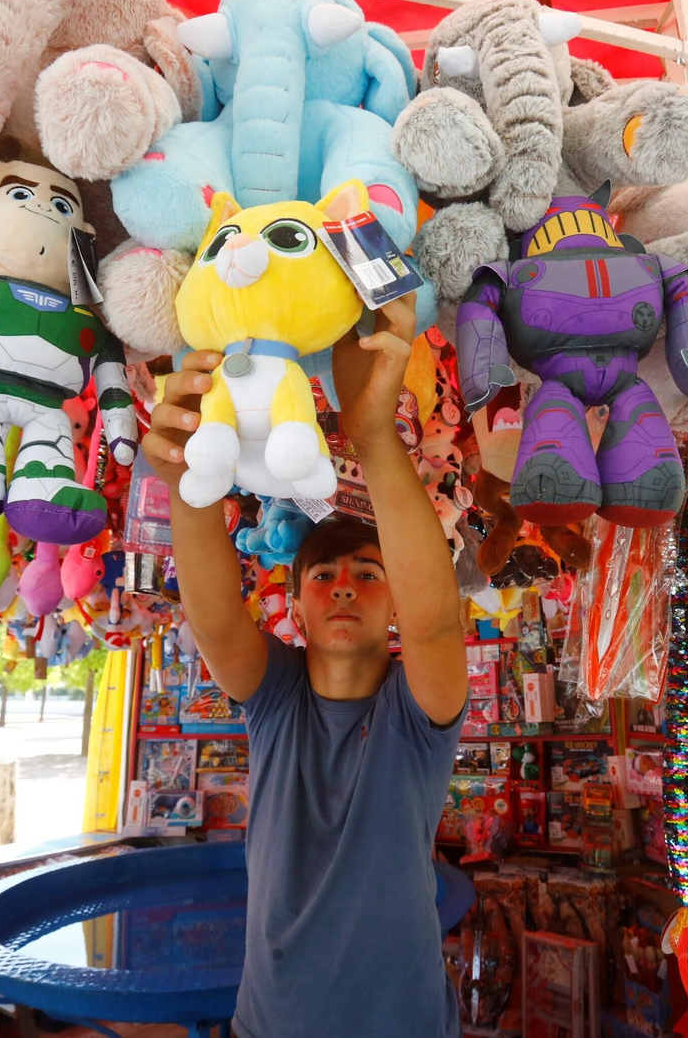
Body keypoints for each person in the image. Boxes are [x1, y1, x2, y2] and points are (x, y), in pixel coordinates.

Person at [140, 292, 467, 1038]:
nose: (344, 585)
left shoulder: (418, 714)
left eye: (368, 572)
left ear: (394, 602)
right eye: (323, 575)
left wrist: (373, 435)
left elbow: (436, 620)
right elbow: (215, 620)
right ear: (294, 603)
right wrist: (188, 476)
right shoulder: (276, 696)